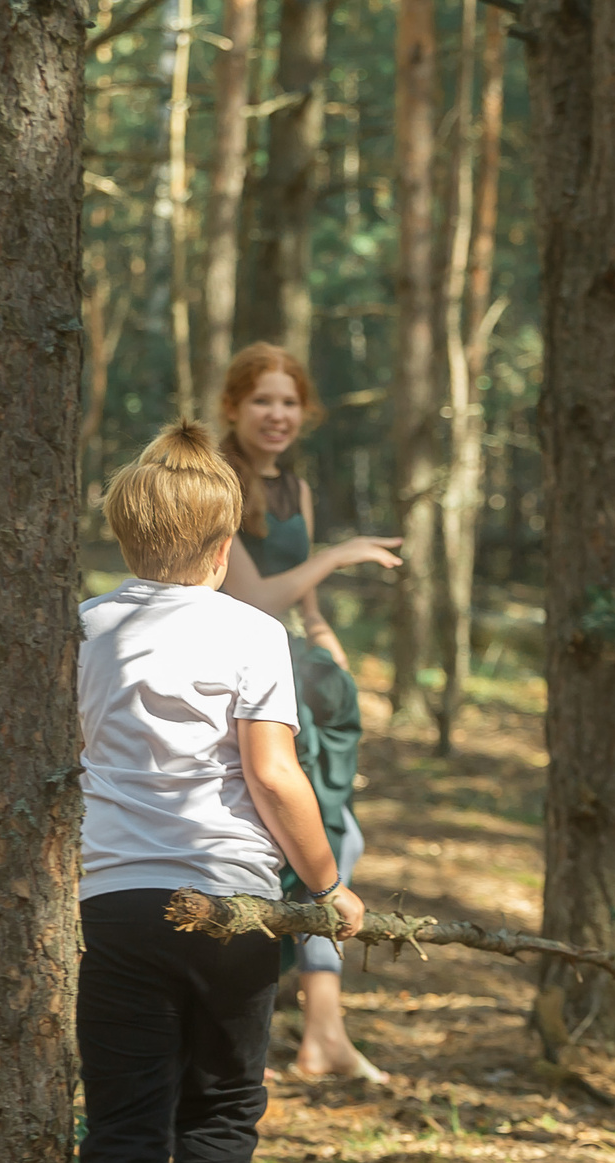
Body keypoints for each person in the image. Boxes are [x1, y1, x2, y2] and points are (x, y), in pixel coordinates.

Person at [76, 421, 367, 1163]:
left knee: (120, 1126)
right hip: (236, 906)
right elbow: (274, 774)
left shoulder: (84, 628)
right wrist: (324, 883)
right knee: (221, 1104)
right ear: (219, 544)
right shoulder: (252, 635)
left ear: (124, 538)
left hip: (112, 903)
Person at [215, 343, 401, 1083]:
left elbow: (304, 608)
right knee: (320, 842)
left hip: (295, 678)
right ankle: (304, 1027)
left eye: (290, 402)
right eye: (263, 400)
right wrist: (338, 553)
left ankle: (321, 1027)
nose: (278, 414)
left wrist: (329, 645)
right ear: (233, 406)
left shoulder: (295, 486)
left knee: (335, 841)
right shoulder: (218, 481)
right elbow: (255, 598)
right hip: (242, 677)